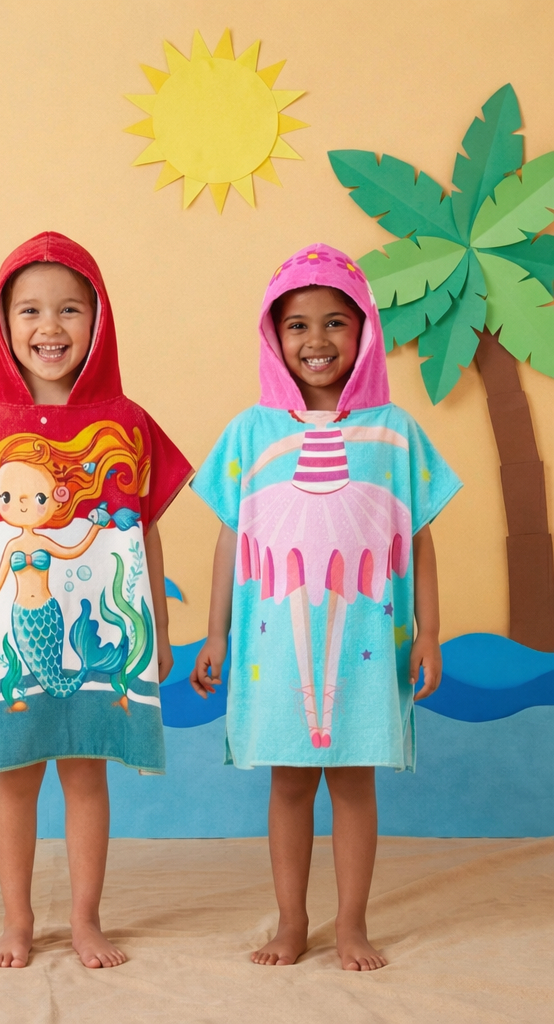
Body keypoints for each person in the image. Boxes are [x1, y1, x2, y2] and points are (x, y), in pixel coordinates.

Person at [0, 232, 191, 969]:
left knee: (87, 770)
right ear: (2, 320)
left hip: (91, 636)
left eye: (70, 309)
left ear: (98, 318)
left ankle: (85, 920)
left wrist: (161, 629)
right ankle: (16, 922)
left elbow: (144, 532)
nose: (50, 327)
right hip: (10, 634)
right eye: (30, 310)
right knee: (14, 776)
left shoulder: (126, 423)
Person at [190, 244, 460, 971]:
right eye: (297, 325)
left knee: (354, 780)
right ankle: (291, 922)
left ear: (365, 328)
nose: (317, 340)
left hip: (369, 642)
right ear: (273, 336)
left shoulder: (394, 432)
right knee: (287, 783)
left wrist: (430, 631)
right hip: (273, 643)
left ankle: (352, 925)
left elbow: (418, 536)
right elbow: (231, 536)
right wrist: (215, 633)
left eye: (336, 321)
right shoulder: (251, 432)